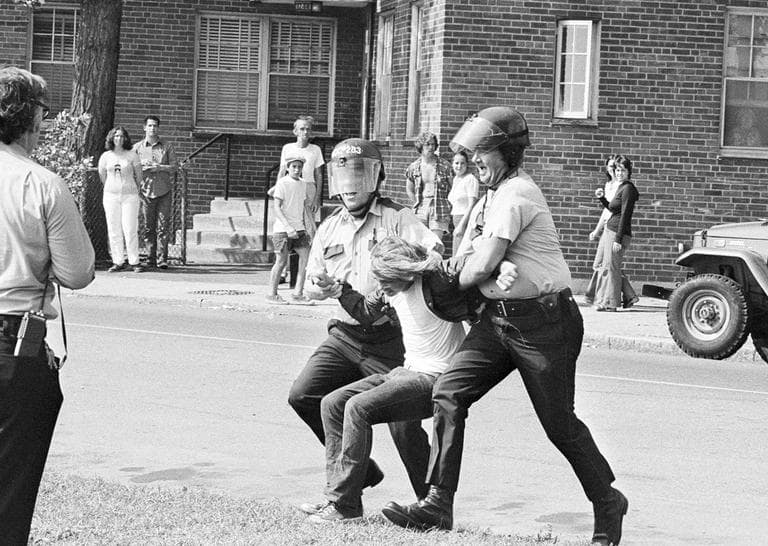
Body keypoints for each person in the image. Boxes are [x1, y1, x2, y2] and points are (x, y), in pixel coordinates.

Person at [382, 107, 628, 546]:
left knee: (559, 424)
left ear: (509, 153)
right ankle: (438, 502)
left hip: (545, 323)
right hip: (498, 323)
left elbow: (473, 269)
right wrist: (473, 272)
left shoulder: (517, 194)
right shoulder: (488, 196)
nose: (476, 159)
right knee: (449, 391)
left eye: (484, 152)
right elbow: (466, 258)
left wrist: (467, 274)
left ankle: (607, 502)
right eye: (473, 152)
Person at [288, 138, 442, 514]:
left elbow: (434, 254)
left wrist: (403, 274)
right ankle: (355, 477)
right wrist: (320, 288)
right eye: (343, 175)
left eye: (359, 174)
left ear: (376, 177)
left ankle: (431, 504)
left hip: (388, 339)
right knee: (304, 395)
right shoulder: (329, 227)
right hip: (343, 336)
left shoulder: (398, 218)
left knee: (404, 424)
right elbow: (311, 286)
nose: (351, 184)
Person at [303, 235, 482, 523]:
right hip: (406, 371)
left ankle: (344, 507)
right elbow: (364, 311)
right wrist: (338, 290)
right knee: (332, 403)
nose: (381, 285)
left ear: (406, 271)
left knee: (357, 408)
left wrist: (505, 270)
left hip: (434, 378)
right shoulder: (390, 290)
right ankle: (339, 494)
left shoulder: (437, 283)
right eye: (379, 279)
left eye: (387, 278)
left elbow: (472, 265)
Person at [0, 66, 95, 544]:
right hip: (13, 347)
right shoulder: (40, 183)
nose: (45, 122)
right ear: (27, 118)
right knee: (9, 491)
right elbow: (78, 272)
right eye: (43, 112)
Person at [585, 156, 638, 309]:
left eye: (623, 170)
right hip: (610, 229)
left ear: (629, 172)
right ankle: (603, 300)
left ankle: (609, 303)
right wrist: (602, 199)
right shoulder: (620, 186)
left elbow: (625, 215)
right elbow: (612, 209)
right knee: (604, 266)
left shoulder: (628, 188)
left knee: (611, 269)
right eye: (618, 170)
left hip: (617, 232)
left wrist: (618, 239)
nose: (620, 173)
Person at [266, 154, 312, 304]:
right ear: (287, 168)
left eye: (299, 167)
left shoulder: (303, 183)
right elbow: (276, 207)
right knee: (281, 262)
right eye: (294, 166)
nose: (297, 169)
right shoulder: (282, 183)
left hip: (299, 229)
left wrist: (312, 227)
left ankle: (298, 293)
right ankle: (272, 294)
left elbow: (305, 206)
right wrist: (287, 227)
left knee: (306, 259)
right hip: (282, 230)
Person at [133, 115, 177, 270]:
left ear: (158, 128)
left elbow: (174, 167)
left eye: (155, 126)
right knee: (147, 226)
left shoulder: (166, 146)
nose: (152, 128)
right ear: (144, 128)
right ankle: (149, 258)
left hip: (163, 190)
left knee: (163, 226)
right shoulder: (137, 148)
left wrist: (159, 167)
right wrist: (142, 167)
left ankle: (162, 259)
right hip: (145, 191)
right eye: (150, 126)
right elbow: (132, 168)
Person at [98, 126, 145, 273]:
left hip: (129, 196)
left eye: (122, 136)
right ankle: (118, 261)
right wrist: (111, 187)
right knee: (113, 228)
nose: (119, 139)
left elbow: (139, 175)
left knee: (130, 228)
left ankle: (134, 261)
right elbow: (102, 174)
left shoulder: (132, 155)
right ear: (111, 138)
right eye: (116, 136)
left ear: (126, 139)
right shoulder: (106, 156)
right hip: (111, 196)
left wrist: (133, 189)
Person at [405, 131, 453, 242]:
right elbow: (409, 189)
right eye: (427, 144)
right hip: (421, 207)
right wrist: (417, 202)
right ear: (420, 146)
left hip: (440, 207)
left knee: (435, 244)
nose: (431, 147)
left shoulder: (444, 166)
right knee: (419, 243)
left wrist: (448, 204)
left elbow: (453, 188)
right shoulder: (413, 167)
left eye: (433, 144)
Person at [279, 115, 325, 216]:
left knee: (309, 221)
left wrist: (317, 199)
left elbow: (319, 175)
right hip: (291, 186)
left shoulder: (315, 150)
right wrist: (279, 192)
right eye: (302, 129)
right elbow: (282, 171)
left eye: (308, 129)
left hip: (308, 187)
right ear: (295, 131)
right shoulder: (288, 148)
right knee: (291, 218)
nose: (305, 132)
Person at [447, 150, 480, 256]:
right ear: (452, 164)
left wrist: (461, 225)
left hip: (465, 219)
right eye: (456, 163)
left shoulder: (470, 179)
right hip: (456, 219)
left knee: (460, 255)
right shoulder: (456, 179)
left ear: (467, 165)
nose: (459, 166)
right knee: (456, 253)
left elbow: (472, 204)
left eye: (462, 163)